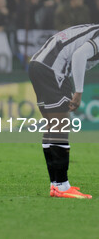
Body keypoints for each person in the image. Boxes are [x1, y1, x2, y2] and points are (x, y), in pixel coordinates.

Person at [28, 25, 96, 199]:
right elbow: (79, 56)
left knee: (52, 126)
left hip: (38, 65)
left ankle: (55, 184)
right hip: (52, 69)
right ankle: (62, 186)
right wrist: (78, 91)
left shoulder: (93, 29)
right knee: (60, 125)